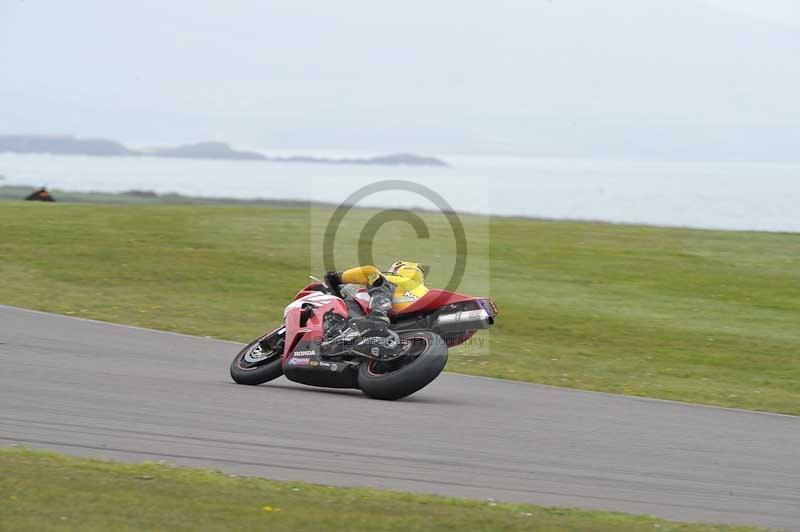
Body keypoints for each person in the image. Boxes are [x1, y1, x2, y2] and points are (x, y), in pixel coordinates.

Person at [325, 261, 429, 332]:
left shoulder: (392, 278)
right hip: (414, 322)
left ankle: (378, 314)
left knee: (374, 277)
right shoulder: (425, 291)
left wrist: (336, 278)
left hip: (385, 315)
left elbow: (368, 271)